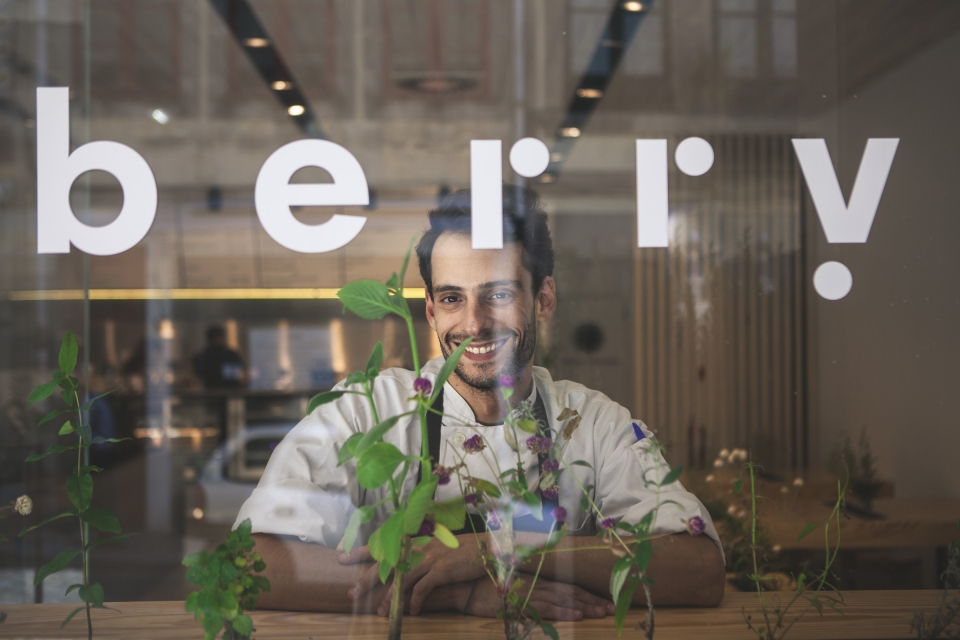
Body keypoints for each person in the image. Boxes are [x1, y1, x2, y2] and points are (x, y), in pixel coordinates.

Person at [235, 187, 726, 620]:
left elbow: (700, 569)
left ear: (544, 299)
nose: (474, 323)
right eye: (452, 298)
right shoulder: (365, 412)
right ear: (430, 311)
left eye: (498, 294)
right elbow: (251, 564)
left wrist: (496, 550)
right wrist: (458, 593)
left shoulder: (591, 423)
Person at [192, 325, 245, 389]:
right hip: (214, 390)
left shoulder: (230, 355)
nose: (219, 340)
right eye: (217, 337)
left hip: (227, 390)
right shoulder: (230, 355)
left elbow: (236, 375)